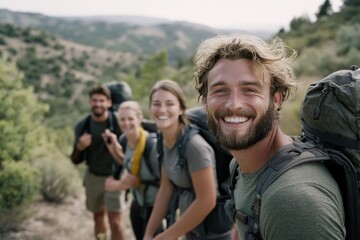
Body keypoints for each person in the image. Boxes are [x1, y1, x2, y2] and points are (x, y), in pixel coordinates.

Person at [193, 34, 345, 240]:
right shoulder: (239, 167)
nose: (233, 104)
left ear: (275, 99)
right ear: (205, 101)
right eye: (220, 91)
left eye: (249, 90)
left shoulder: (293, 201)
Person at [143, 79, 232, 240]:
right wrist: (149, 234)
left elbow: (207, 200)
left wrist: (166, 236)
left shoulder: (194, 147)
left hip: (213, 235)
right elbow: (165, 189)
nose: (162, 109)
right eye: (156, 103)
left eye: (169, 103)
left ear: (181, 109)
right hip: (193, 231)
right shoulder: (163, 141)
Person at [70, 86, 125, 240]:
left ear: (109, 103)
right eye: (94, 101)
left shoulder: (119, 122)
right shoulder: (82, 126)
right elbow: (75, 160)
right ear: (89, 103)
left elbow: (129, 156)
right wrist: (79, 148)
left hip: (115, 177)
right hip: (93, 177)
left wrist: (115, 147)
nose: (98, 104)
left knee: (115, 221)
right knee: (98, 217)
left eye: (102, 101)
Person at [103, 100, 162, 240]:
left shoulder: (151, 144)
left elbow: (163, 180)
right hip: (137, 202)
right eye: (122, 119)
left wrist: (121, 185)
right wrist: (114, 151)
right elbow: (131, 163)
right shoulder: (124, 140)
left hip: (155, 206)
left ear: (139, 119)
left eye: (130, 118)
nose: (126, 123)